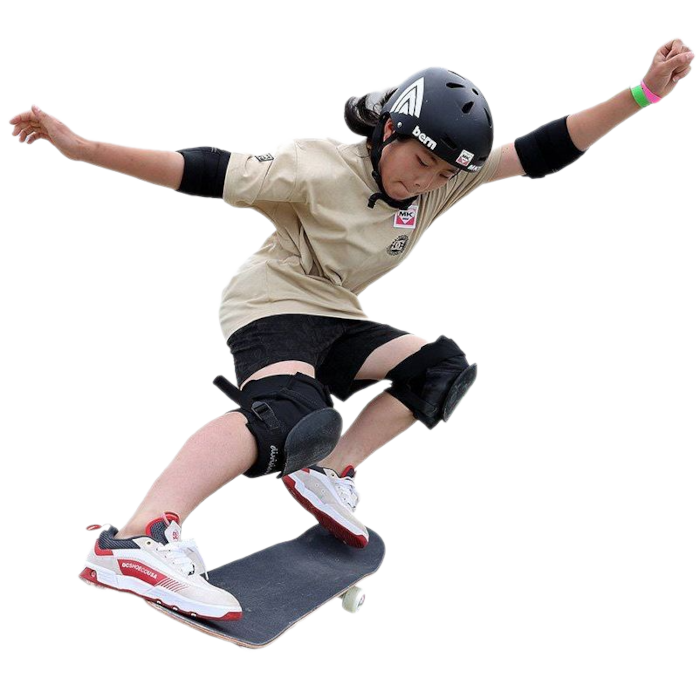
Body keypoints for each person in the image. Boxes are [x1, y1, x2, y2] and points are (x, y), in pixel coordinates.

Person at [9, 44, 695, 622]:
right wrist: (81, 148)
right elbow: (201, 170)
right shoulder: (315, 167)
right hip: (270, 303)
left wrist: (642, 93)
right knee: (284, 416)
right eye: (419, 163)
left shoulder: (441, 183)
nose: (424, 183)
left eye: (441, 175)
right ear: (390, 132)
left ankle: (328, 470)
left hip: (337, 313)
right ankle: (136, 542)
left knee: (438, 369)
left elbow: (541, 149)